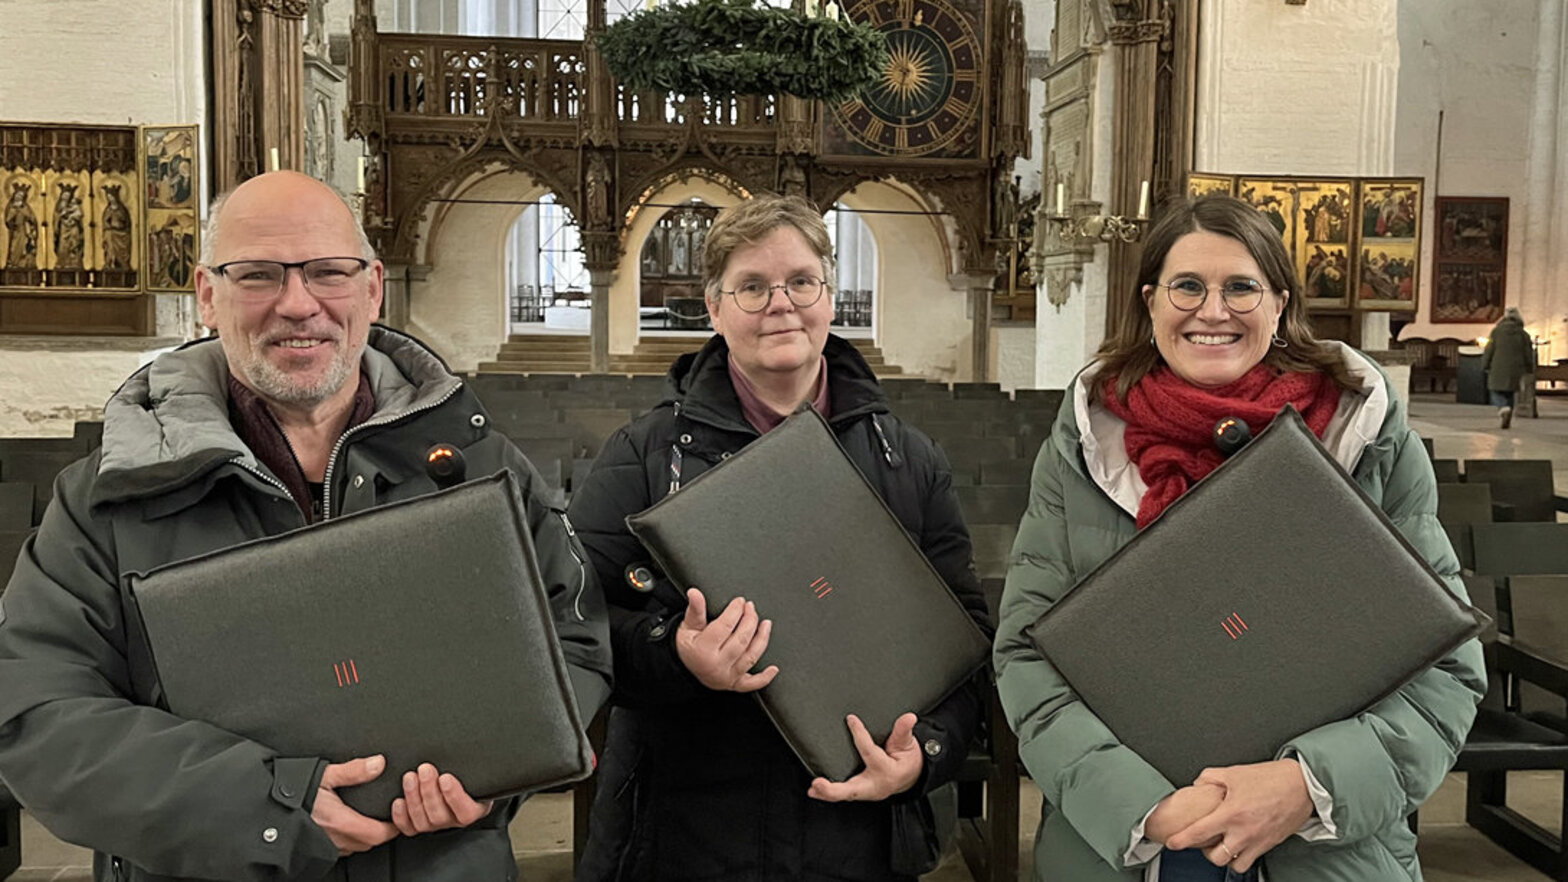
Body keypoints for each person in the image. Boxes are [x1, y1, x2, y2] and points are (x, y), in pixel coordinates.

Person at [0, 171, 612, 881]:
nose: (298, 304)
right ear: (207, 295)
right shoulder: (109, 498)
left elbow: (575, 642)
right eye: (257, 275)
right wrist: (265, 807)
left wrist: (493, 770)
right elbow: (37, 714)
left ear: (372, 288)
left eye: (328, 272)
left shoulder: (480, 465)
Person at [993, 194, 1486, 882]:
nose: (1213, 310)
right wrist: (1141, 805)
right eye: (1187, 286)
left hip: (1327, 852)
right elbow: (1026, 653)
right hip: (1126, 847)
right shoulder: (1085, 443)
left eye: (1241, 287)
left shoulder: (1363, 437)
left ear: (1280, 303)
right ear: (1151, 302)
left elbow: (1444, 663)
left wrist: (1307, 787)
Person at [569, 193, 993, 882]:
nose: (781, 303)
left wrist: (928, 756)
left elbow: (962, 639)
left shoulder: (905, 459)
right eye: (753, 286)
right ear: (713, 308)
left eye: (801, 281)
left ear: (830, 296)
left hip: (855, 828)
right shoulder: (643, 455)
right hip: (680, 831)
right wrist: (675, 653)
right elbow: (578, 623)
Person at [1483, 306, 1535, 428]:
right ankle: (1508, 417)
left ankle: (1503, 409)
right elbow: (1528, 353)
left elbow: (1489, 350)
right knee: (1510, 392)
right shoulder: (1524, 334)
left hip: (1498, 365)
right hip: (1517, 367)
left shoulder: (1496, 332)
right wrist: (1529, 368)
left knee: (1495, 390)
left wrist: (1485, 364)